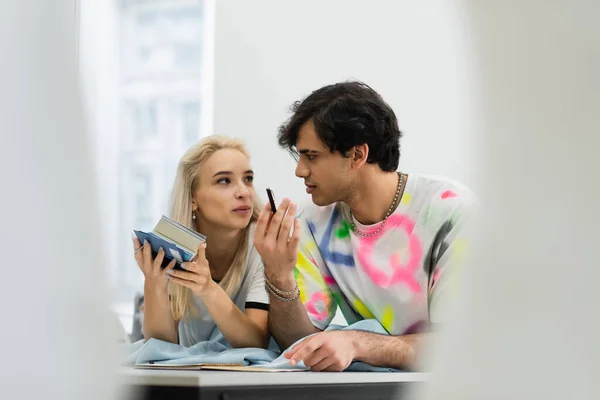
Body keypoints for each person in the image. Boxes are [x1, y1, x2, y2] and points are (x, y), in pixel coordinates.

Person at [253, 81, 476, 371]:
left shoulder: (452, 211)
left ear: (358, 155)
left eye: (312, 156)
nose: (300, 171)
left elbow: (458, 348)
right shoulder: (312, 222)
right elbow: (299, 345)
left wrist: (358, 343)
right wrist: (278, 274)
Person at [132, 135, 270, 349]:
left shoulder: (264, 242)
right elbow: (160, 347)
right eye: (224, 180)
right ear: (193, 198)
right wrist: (154, 284)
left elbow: (256, 342)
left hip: (253, 378)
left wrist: (208, 289)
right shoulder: (176, 245)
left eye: (248, 179)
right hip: (196, 378)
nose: (244, 193)